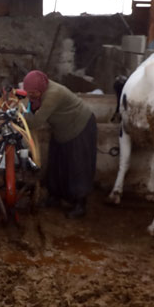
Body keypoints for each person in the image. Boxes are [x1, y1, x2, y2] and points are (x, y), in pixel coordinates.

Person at [23, 70, 97, 218]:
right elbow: (31, 108)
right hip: (61, 129)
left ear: (40, 89)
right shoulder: (40, 91)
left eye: (33, 93)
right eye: (28, 93)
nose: (30, 96)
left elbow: (35, 122)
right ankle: (54, 197)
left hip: (80, 126)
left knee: (77, 165)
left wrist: (17, 116)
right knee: (56, 164)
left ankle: (80, 204)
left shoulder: (53, 94)